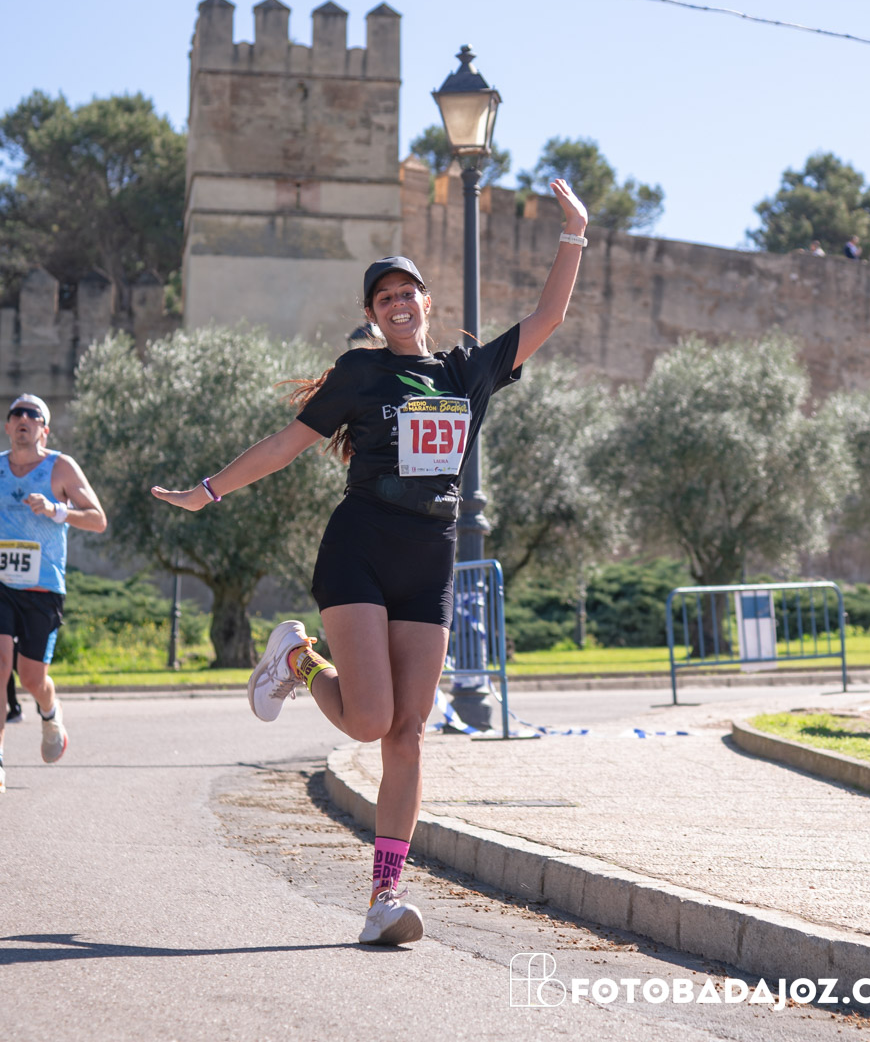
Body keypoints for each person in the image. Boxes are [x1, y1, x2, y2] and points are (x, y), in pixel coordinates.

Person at [151, 178, 589, 945]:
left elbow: (549, 315)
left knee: (408, 733)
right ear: (372, 313)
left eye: (407, 292)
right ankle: (298, 658)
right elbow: (286, 445)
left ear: (426, 302)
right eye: (383, 297)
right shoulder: (359, 374)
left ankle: (385, 897)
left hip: (431, 557)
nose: (397, 303)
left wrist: (574, 232)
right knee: (368, 721)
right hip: (361, 546)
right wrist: (207, 492)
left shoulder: (466, 372)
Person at [0, 394, 108, 794]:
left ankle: (49, 712)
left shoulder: (60, 467)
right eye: (17, 413)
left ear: (44, 430)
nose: (24, 418)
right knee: (0, 665)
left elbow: (98, 519)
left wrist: (55, 509)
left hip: (42, 587)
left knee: (31, 677)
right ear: (8, 426)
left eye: (33, 415)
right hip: (1, 585)